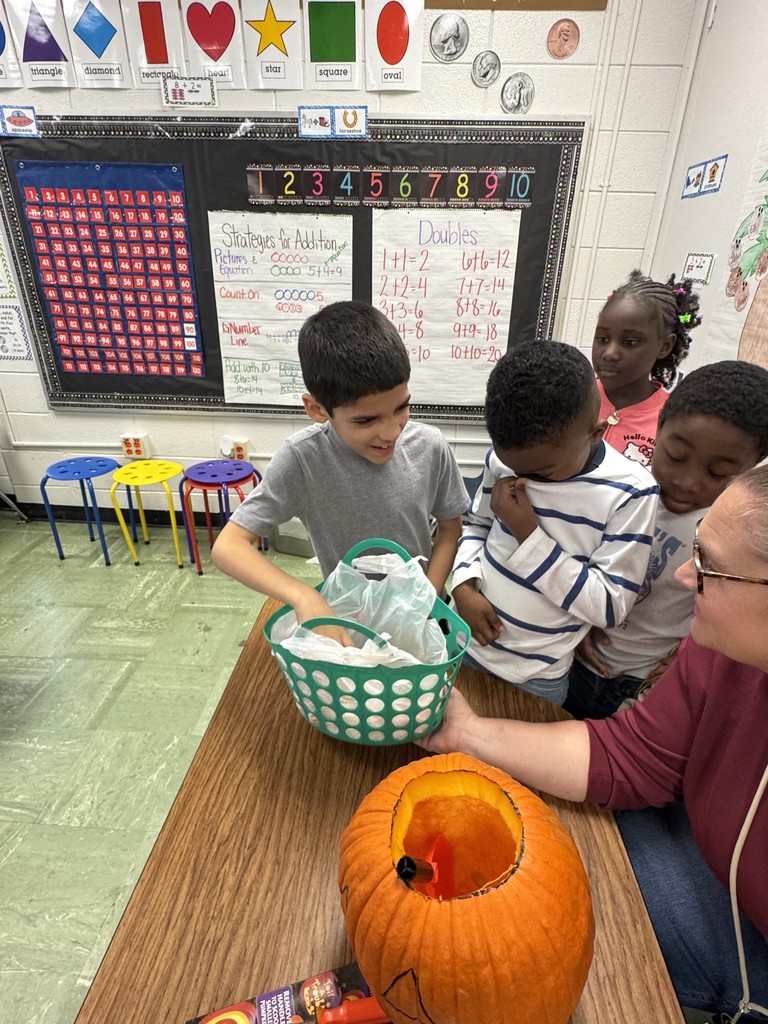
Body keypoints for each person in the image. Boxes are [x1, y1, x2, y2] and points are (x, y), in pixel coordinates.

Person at [420, 463, 768, 1023]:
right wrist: (467, 733)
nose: (682, 576)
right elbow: (636, 757)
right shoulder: (719, 645)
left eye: (709, 566)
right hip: (708, 866)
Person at [212, 302, 469, 636]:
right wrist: (303, 596)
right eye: (366, 420)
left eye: (402, 408)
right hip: (348, 616)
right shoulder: (303, 459)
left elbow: (450, 529)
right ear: (317, 409)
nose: (391, 432)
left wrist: (427, 597)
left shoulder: (430, 446)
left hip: (423, 612)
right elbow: (228, 547)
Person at [451, 340, 658, 704]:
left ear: (595, 433)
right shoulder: (505, 459)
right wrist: (464, 585)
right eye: (512, 467)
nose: (523, 479)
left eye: (542, 472)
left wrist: (527, 534)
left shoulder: (630, 494)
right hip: (464, 646)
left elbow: (609, 605)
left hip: (537, 677)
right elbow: (475, 525)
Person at [566, 360, 768, 718]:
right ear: (658, 428)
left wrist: (675, 666)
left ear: (753, 466)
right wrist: (578, 623)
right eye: (676, 456)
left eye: (717, 473)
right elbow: (579, 562)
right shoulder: (620, 496)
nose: (688, 482)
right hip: (575, 656)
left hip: (643, 683)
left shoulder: (725, 536)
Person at [594, 270, 702, 466]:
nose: (609, 353)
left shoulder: (672, 419)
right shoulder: (574, 396)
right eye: (602, 339)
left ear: (665, 346)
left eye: (629, 342)